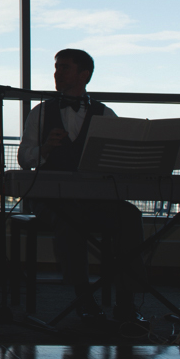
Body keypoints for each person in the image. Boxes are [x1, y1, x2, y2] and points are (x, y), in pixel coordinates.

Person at [17, 48, 143, 322]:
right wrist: (46, 148)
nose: (57, 73)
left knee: (130, 216)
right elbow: (24, 159)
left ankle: (126, 300)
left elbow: (118, 160)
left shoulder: (106, 114)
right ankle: (83, 295)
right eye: (56, 67)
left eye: (64, 67)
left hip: (95, 198)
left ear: (84, 75)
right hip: (51, 199)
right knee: (68, 216)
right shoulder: (40, 113)